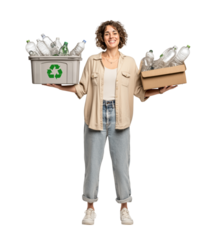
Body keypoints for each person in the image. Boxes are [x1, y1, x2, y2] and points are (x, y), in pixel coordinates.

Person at [41, 19, 180, 226]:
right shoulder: (91, 61)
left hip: (121, 117)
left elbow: (140, 93)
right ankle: (90, 208)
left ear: (121, 36)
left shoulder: (132, 62)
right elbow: (80, 89)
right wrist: (58, 87)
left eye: (114, 33)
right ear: (101, 38)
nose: (111, 36)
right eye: (107, 33)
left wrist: (161, 90)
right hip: (94, 116)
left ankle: (124, 208)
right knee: (92, 164)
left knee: (122, 165)